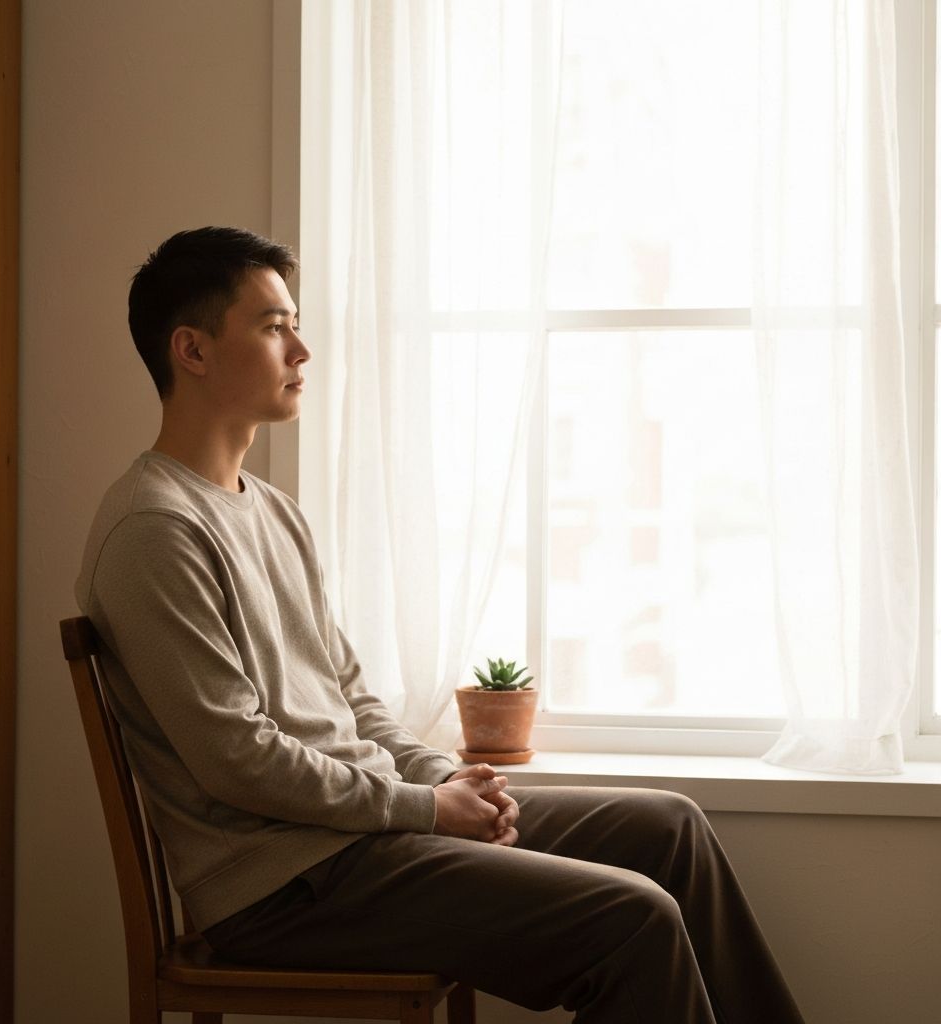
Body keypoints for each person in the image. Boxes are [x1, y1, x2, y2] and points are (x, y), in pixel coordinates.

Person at [76, 226, 805, 1023]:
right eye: (274, 326)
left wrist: (444, 780)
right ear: (192, 350)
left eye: (295, 325)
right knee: (636, 919)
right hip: (286, 886)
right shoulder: (154, 530)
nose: (302, 350)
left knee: (671, 829)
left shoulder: (273, 512)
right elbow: (237, 760)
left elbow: (352, 700)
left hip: (366, 839)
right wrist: (427, 808)